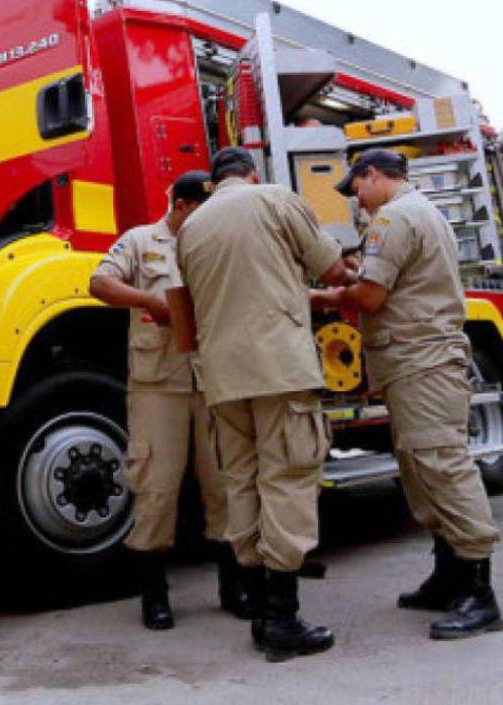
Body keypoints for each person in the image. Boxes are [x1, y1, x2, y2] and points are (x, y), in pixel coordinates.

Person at [176, 147, 353, 662]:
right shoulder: (275, 198)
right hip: (278, 367)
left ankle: (256, 605)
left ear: (213, 183)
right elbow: (331, 267)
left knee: (244, 481)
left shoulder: (192, 226)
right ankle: (282, 616)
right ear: (251, 174)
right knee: (289, 478)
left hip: (223, 376)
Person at [327, 148, 503, 640]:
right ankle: (449, 576)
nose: (357, 202)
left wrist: (322, 296)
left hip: (421, 360)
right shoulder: (420, 213)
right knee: (422, 468)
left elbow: (369, 297)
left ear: (375, 175)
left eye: (357, 189)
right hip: (417, 361)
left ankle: (480, 593)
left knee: (443, 467)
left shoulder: (395, 217)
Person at [89, 170, 249, 631]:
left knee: (223, 483)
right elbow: (100, 284)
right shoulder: (142, 241)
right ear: (180, 206)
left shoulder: (216, 242)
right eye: (200, 210)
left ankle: (232, 583)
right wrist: (153, 302)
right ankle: (154, 592)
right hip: (158, 386)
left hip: (214, 380)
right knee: (156, 486)